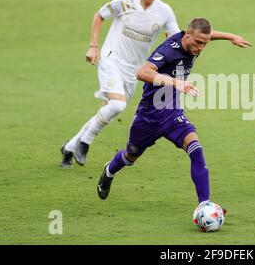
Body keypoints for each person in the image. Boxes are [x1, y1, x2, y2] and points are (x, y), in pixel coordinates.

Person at [61, 0, 251, 167]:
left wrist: (229, 36)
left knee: (109, 109)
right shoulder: (123, 3)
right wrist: (93, 45)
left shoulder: (164, 11)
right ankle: (86, 141)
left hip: (134, 69)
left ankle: (70, 147)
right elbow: (99, 16)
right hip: (111, 60)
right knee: (117, 105)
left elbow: (186, 36)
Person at [96, 18, 235, 208]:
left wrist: (230, 36)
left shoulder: (194, 41)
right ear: (187, 35)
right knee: (130, 156)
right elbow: (142, 72)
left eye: (205, 43)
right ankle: (110, 171)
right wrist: (175, 82)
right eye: (198, 43)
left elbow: (207, 35)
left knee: (196, 149)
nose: (201, 48)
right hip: (149, 117)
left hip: (173, 114)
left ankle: (205, 204)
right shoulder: (168, 50)